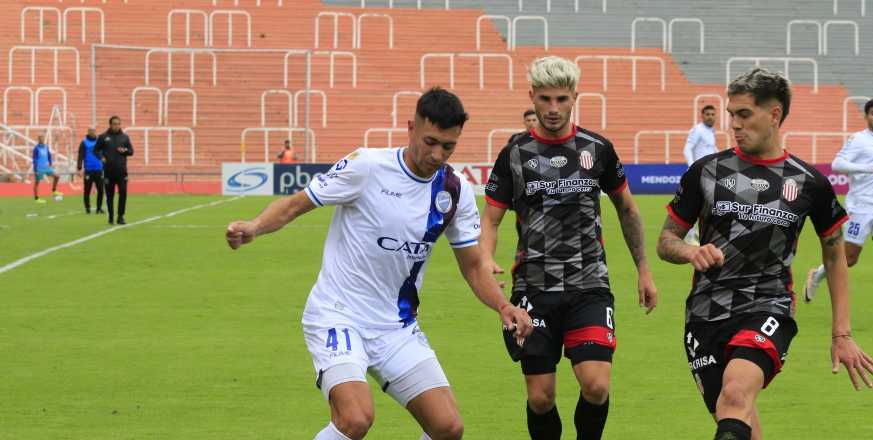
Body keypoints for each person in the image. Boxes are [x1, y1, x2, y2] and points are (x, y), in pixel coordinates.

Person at [225, 88, 533, 440]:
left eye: (448, 146)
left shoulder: (455, 191)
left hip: (396, 327)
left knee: (448, 428)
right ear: (410, 128)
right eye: (430, 141)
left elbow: (474, 266)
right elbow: (298, 204)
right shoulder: (367, 167)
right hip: (338, 315)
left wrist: (503, 305)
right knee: (355, 419)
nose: (437, 154)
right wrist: (254, 228)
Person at [656, 68, 873, 440]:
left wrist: (841, 333)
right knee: (736, 415)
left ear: (774, 114)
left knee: (736, 392)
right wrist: (690, 251)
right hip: (704, 314)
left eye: (744, 114)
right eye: (731, 115)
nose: (734, 124)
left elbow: (835, 255)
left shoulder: (809, 183)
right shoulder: (706, 172)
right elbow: (667, 240)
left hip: (767, 306)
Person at [481, 56, 658, 440]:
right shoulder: (515, 154)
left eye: (562, 99)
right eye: (545, 99)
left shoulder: (598, 148)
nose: (553, 108)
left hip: (589, 285)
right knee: (541, 397)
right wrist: (485, 256)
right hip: (534, 287)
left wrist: (644, 269)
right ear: (532, 97)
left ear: (575, 96)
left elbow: (627, 209)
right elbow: (490, 219)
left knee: (595, 385)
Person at [804, 98, 873, 323]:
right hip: (860, 208)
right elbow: (837, 164)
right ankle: (816, 275)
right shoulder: (858, 140)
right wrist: (865, 168)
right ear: (866, 117)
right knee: (850, 259)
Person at [682, 104, 720, 244]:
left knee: (706, 204)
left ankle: (697, 233)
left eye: (712, 114)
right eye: (707, 114)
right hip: (699, 173)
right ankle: (688, 236)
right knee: (694, 204)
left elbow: (711, 149)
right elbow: (687, 148)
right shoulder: (698, 130)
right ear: (702, 115)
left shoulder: (710, 131)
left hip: (709, 173)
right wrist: (693, 167)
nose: (710, 116)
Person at [96, 116, 133, 225]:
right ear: (110, 124)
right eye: (114, 124)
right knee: (109, 195)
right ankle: (111, 216)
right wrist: (101, 157)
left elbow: (131, 151)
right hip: (108, 171)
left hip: (122, 172)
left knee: (123, 192)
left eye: (118, 124)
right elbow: (96, 150)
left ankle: (120, 216)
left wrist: (125, 150)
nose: (116, 126)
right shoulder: (103, 137)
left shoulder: (125, 137)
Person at [76, 127, 104, 214]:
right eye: (91, 131)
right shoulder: (84, 142)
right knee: (87, 190)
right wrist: (79, 168)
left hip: (99, 169)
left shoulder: (99, 141)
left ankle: (99, 208)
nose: (92, 132)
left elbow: (103, 153)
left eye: (94, 131)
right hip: (88, 169)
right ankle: (87, 208)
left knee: (101, 190)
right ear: (88, 132)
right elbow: (80, 156)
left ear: (95, 131)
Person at [32, 135, 61, 203]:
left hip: (46, 167)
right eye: (40, 138)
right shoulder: (36, 148)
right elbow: (34, 159)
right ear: (38, 139)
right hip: (39, 168)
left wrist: (50, 162)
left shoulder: (46, 147)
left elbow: (49, 155)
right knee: (37, 183)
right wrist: (35, 169)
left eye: (42, 138)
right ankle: (36, 199)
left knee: (57, 176)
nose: (42, 139)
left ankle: (54, 190)